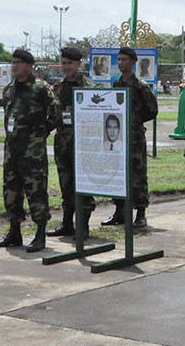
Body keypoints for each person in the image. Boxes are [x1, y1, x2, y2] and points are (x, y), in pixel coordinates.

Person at [0, 49, 57, 253]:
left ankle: (40, 234)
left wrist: (40, 133)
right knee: (11, 189)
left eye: (19, 63)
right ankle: (14, 232)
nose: (14, 66)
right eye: (13, 62)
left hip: (32, 150)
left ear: (29, 66)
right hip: (12, 147)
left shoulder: (40, 88)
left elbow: (55, 113)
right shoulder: (9, 89)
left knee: (36, 189)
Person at [101, 46, 158, 228]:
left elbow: (152, 110)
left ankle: (140, 213)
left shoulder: (140, 86)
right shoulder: (116, 85)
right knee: (117, 173)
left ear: (133, 62)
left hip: (135, 138)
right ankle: (120, 212)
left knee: (138, 175)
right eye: (119, 60)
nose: (121, 63)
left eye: (124, 59)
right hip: (117, 137)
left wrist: (135, 121)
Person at [47, 47, 96, 239]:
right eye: (64, 63)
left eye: (70, 63)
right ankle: (67, 224)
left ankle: (83, 226)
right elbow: (53, 116)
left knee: (84, 185)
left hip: (84, 145)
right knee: (65, 185)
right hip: (63, 145)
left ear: (79, 64)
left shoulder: (90, 88)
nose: (66, 67)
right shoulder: (58, 88)